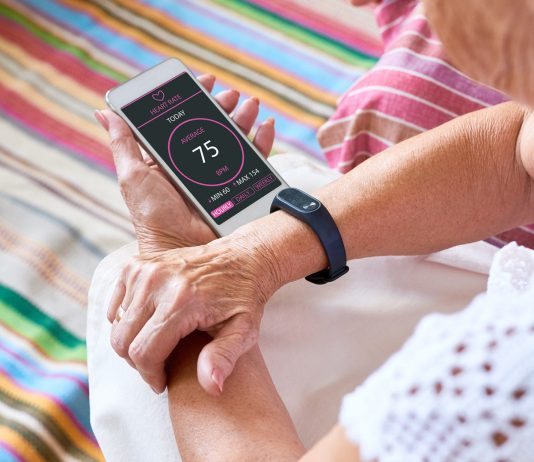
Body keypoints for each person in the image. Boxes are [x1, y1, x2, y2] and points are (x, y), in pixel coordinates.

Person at [90, 0, 534, 460]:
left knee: (127, 292)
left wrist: (176, 262)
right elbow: (518, 158)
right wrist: (256, 255)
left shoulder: (500, 377)